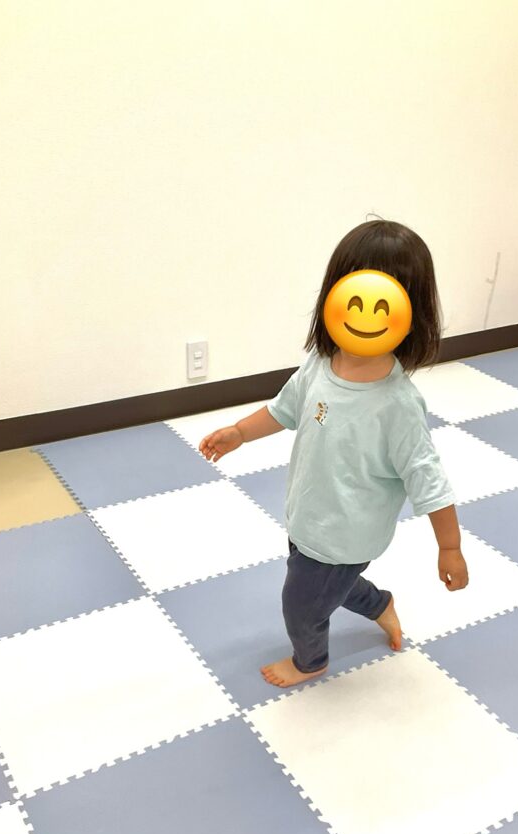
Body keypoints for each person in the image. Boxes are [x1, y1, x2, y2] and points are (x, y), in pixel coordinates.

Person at [199, 218, 469, 688]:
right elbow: (285, 409)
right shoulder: (320, 364)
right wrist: (240, 432)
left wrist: (450, 548)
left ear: (409, 311)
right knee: (325, 583)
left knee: (302, 604)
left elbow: (429, 480)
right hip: (309, 516)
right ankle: (379, 603)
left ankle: (311, 660)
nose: (364, 313)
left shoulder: (397, 404)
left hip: (347, 533)